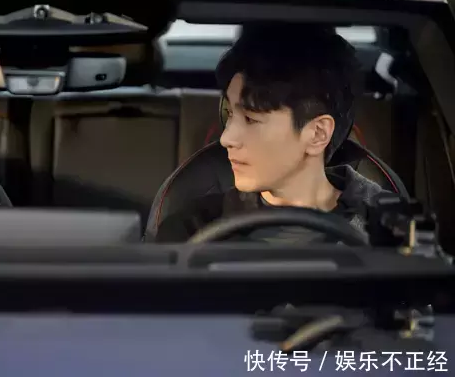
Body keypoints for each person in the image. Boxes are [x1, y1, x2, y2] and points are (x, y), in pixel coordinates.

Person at [155, 23, 390, 244]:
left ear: (317, 134)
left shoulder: (386, 229)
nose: (226, 139)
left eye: (251, 119)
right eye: (230, 114)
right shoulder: (192, 232)